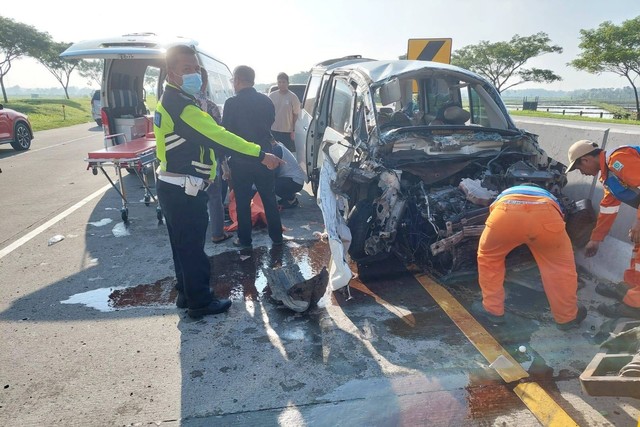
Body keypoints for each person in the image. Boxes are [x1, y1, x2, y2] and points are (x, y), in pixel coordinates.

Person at [154, 45, 282, 318]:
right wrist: (261, 154)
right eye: (186, 69)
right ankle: (200, 302)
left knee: (181, 246)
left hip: (172, 185)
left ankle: (185, 294)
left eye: (196, 69)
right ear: (171, 73)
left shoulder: (169, 99)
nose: (194, 75)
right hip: (183, 189)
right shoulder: (182, 107)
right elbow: (221, 136)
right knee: (192, 249)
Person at [473, 184, 586, 330]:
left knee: (489, 259)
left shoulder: (506, 192)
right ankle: (567, 318)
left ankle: (492, 311)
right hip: (546, 214)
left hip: (505, 213)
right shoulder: (546, 195)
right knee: (560, 267)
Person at [566, 139, 640, 319]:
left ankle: (633, 306)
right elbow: (608, 207)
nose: (582, 173)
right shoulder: (609, 175)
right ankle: (631, 287)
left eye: (579, 168)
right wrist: (595, 239)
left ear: (585, 160)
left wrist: (638, 222)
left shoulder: (618, 159)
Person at [223, 65, 283, 249]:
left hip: (241, 160)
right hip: (265, 157)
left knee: (242, 201)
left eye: (233, 79)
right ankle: (277, 237)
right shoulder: (266, 101)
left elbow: (226, 132)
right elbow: (270, 123)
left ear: (238, 79)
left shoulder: (231, 103)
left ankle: (244, 239)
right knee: (269, 198)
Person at [194, 69, 231, 244]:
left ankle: (195, 233)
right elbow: (220, 138)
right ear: (205, 82)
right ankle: (217, 233)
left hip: (184, 161)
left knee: (191, 196)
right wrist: (224, 165)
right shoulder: (210, 107)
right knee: (214, 196)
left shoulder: (173, 105)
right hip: (209, 159)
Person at [268, 72, 301, 153]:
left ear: (287, 83)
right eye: (279, 82)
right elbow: (266, 113)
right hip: (273, 130)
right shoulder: (271, 96)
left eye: (283, 82)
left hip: (287, 132)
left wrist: (293, 130)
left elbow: (296, 115)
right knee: (274, 153)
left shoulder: (293, 97)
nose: (281, 84)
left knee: (286, 154)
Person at [271, 137, 305, 208]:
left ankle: (291, 200)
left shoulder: (276, 150)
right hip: (294, 180)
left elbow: (274, 172)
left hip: (294, 181)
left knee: (271, 184)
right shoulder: (278, 145)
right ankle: (289, 197)